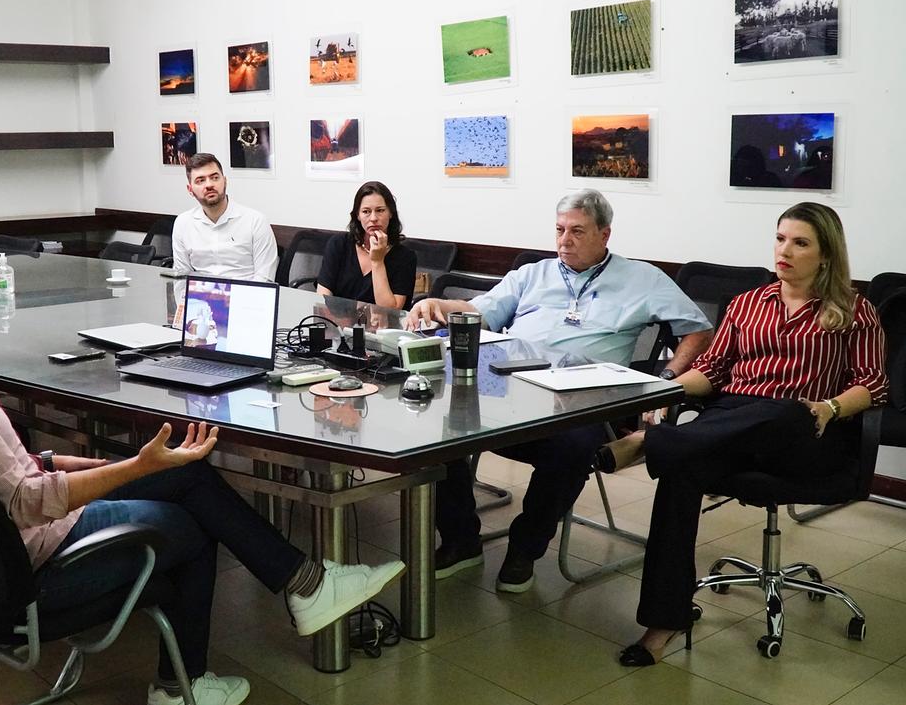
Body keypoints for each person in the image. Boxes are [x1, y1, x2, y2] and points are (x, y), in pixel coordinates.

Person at [0, 225, 405, 705]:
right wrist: (132, 468)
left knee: (183, 472)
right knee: (191, 524)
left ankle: (303, 584)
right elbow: (28, 501)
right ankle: (184, 682)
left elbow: (5, 469)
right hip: (28, 569)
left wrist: (111, 464)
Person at [602, 202, 887, 667]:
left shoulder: (854, 310)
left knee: (787, 413)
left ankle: (645, 444)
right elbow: (711, 371)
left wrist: (830, 406)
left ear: (827, 254)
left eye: (800, 243)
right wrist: (664, 392)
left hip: (805, 429)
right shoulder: (747, 303)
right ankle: (665, 619)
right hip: (732, 421)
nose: (784, 251)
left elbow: (873, 384)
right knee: (681, 471)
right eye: (780, 239)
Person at [407, 189, 714, 592]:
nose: (564, 241)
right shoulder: (534, 274)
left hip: (585, 400)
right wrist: (440, 305)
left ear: (605, 234)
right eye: (559, 230)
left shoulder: (642, 278)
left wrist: (668, 379)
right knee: (440, 426)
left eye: (577, 232)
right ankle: (462, 539)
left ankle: (526, 546)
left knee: (572, 447)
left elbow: (699, 330)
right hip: (512, 386)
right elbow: (482, 312)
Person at [172, 153, 278, 282]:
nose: (209, 185)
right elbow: (181, 276)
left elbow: (265, 279)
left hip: (246, 296)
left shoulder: (255, 221)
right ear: (190, 189)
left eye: (215, 178)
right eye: (200, 180)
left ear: (225, 181)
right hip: (201, 298)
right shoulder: (183, 223)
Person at [316, 181, 417, 309]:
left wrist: (377, 261)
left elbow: (391, 310)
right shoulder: (339, 244)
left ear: (391, 213)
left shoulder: (405, 257)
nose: (373, 218)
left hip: (382, 328)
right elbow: (323, 295)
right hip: (338, 324)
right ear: (357, 215)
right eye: (366, 211)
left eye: (380, 210)